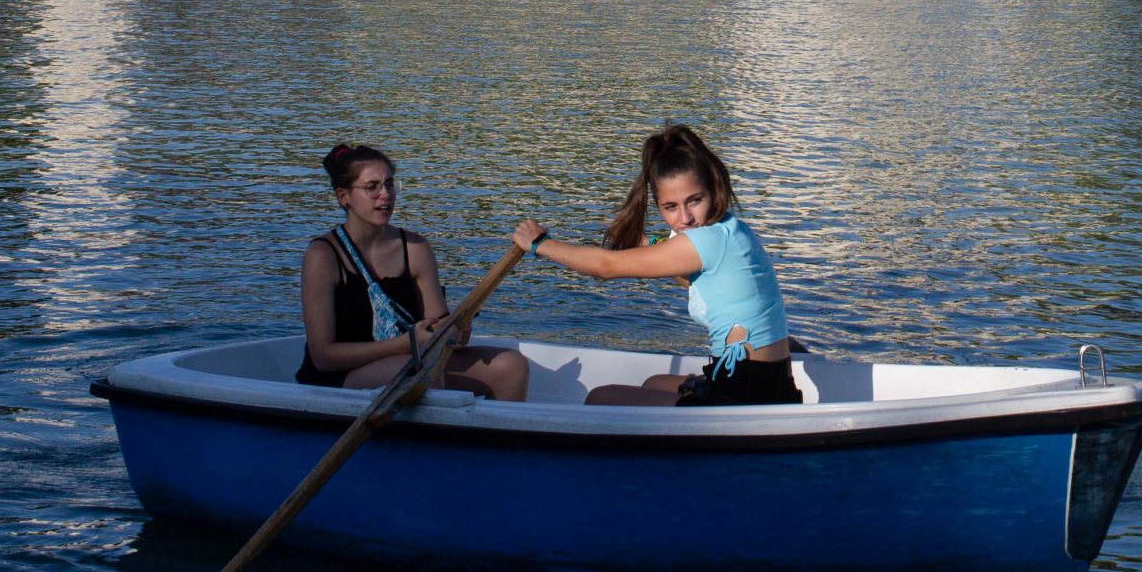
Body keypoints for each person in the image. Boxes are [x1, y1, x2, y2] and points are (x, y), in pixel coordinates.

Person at [511, 126, 797, 408]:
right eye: (670, 207)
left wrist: (539, 244)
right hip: (772, 383)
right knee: (654, 384)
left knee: (601, 398)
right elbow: (687, 270)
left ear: (713, 187)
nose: (685, 217)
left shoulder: (705, 241)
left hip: (744, 396)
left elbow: (605, 267)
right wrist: (642, 240)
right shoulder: (732, 229)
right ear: (658, 205)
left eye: (694, 200)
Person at [296, 143, 528, 400]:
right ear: (344, 197)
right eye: (372, 187)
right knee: (420, 375)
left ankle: (488, 440)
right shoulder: (323, 255)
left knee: (510, 367)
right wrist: (406, 344)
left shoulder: (415, 247)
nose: (385, 195)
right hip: (340, 377)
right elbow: (323, 357)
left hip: (414, 361)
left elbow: (434, 330)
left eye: (390, 184)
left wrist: (453, 332)